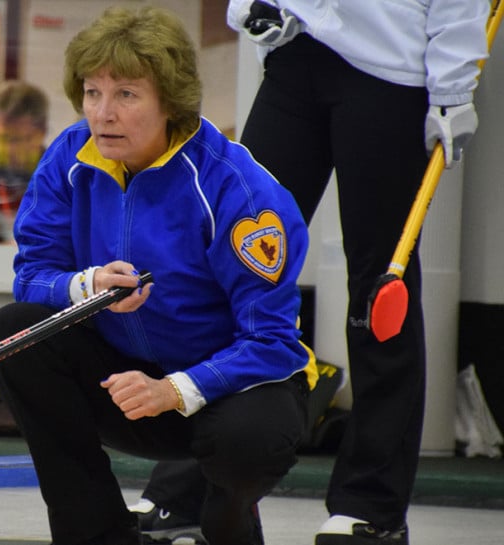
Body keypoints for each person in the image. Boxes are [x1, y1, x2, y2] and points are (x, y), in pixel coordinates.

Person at [132, 2, 490, 545]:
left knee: (380, 290)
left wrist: (454, 85)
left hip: (389, 72)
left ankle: (372, 505)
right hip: (295, 55)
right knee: (227, 265)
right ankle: (187, 487)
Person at [0, 6, 315, 545]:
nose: (103, 113)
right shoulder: (69, 156)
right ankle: (98, 535)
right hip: (123, 382)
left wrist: (175, 390)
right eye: (92, 93)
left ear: (168, 102)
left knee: (249, 441)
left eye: (126, 94)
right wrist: (85, 289)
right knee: (12, 333)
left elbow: (272, 343)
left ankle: (228, 520)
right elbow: (32, 277)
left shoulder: (241, 193)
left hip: (226, 393)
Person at [0, 80, 49, 242]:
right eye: (3, 138)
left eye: (18, 140)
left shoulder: (62, 181)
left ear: (41, 133)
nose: (10, 149)